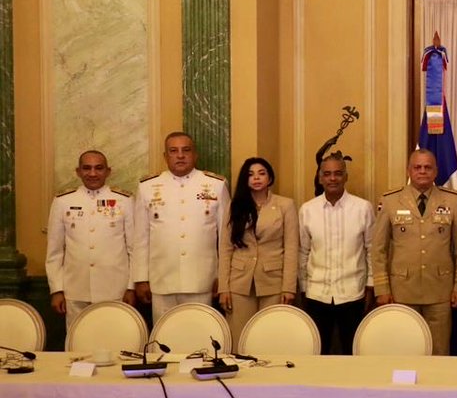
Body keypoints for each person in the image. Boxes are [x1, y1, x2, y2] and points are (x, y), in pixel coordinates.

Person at [371, 149, 457, 355]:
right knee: (404, 349)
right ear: (409, 170)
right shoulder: (390, 201)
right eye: (417, 167)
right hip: (401, 291)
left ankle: (437, 387)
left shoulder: (451, 200)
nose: (422, 171)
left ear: (436, 172)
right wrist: (382, 289)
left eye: (427, 167)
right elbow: (378, 249)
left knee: (440, 351)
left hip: (440, 291)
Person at [133, 132, 230, 323]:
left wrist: (223, 276)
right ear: (165, 156)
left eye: (186, 150)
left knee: (201, 336)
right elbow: (141, 237)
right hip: (161, 279)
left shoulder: (215, 185)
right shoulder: (148, 187)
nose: (180, 155)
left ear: (195, 155)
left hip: (202, 279)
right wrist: (140, 278)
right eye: (173, 151)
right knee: (163, 338)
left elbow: (225, 237)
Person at [45, 150, 135, 329]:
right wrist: (56, 290)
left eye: (98, 168)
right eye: (87, 168)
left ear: (108, 171)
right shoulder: (63, 201)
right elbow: (54, 252)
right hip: (75, 290)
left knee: (116, 341)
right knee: (77, 344)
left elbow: (133, 249)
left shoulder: (124, 200)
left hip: (115, 289)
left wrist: (131, 287)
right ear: (78, 171)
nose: (92, 173)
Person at [298, 153, 375, 354]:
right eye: (328, 174)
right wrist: (304, 288)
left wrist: (370, 286)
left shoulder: (363, 208)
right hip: (316, 294)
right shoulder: (307, 210)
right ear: (320, 177)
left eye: (338, 174)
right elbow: (303, 252)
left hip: (352, 293)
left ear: (345, 177)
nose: (333, 178)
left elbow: (371, 250)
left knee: (353, 351)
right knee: (318, 352)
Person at [217, 158, 299, 346]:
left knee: (271, 337)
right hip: (239, 282)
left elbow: (292, 248)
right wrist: (224, 287)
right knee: (239, 338)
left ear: (270, 177)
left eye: (261, 173)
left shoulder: (285, 205)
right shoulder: (234, 206)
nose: (256, 178)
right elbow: (225, 248)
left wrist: (288, 287)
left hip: (273, 281)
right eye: (251, 174)